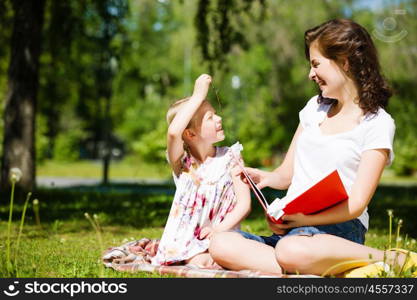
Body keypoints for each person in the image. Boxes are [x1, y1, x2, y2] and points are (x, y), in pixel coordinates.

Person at [208, 19, 416, 277]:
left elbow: (357, 204)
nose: (310, 74)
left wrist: (304, 221)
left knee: (291, 251)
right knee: (221, 243)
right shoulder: (314, 109)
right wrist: (265, 177)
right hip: (295, 231)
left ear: (344, 61)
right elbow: (285, 175)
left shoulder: (377, 123)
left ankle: (388, 258)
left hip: (339, 229)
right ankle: (325, 269)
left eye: (316, 64)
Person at [151, 74, 251, 268]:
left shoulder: (232, 157)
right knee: (199, 261)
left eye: (215, 113)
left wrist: (217, 229)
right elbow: (173, 133)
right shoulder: (182, 163)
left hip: (223, 237)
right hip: (188, 244)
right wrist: (197, 96)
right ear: (190, 134)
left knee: (223, 256)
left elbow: (244, 204)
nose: (219, 118)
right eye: (210, 117)